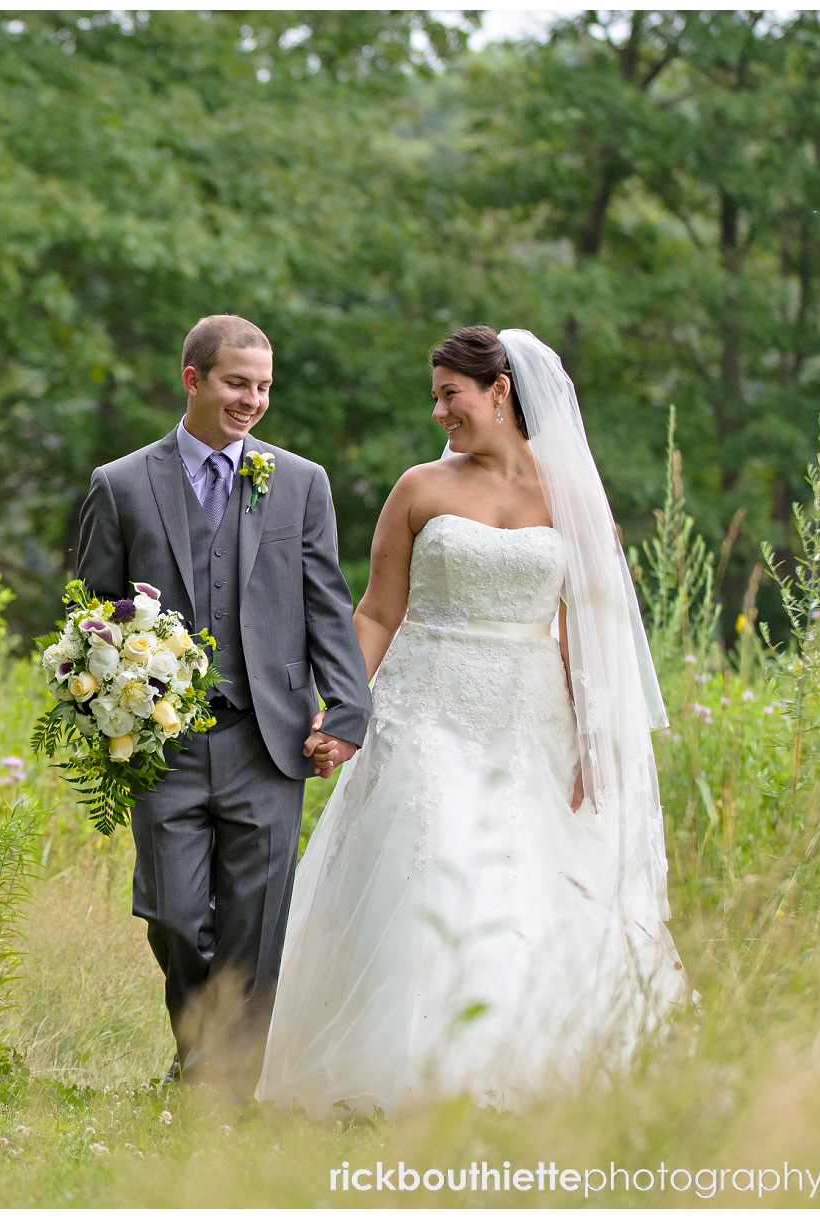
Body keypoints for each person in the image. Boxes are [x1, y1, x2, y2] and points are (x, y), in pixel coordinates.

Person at [255, 325, 689, 1119]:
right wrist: (341, 708)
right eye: (436, 394)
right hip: (425, 707)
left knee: (521, 879)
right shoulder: (419, 487)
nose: (438, 410)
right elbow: (378, 613)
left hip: (529, 716)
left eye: (450, 393)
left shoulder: (571, 498)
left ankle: (510, 1069)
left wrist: (596, 738)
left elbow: (589, 630)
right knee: (426, 862)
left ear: (500, 391)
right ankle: (404, 1075)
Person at [76, 314, 373, 1099]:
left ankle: (222, 1092)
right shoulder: (123, 484)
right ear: (194, 380)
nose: (252, 400)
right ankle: (205, 1054)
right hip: (161, 745)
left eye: (264, 386)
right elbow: (91, 615)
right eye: (238, 383)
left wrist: (345, 709)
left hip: (268, 741)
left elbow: (326, 603)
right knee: (174, 914)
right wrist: (110, 699)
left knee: (255, 928)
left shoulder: (300, 482)